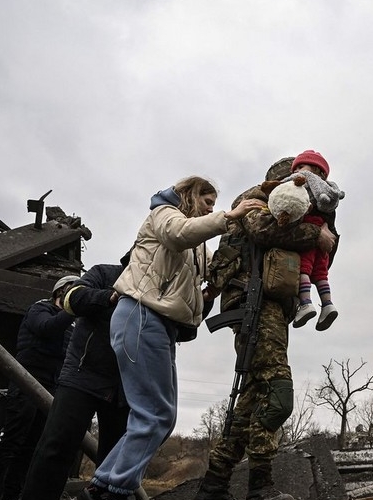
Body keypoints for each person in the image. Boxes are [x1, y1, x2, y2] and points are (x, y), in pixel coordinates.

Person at [79, 177, 264, 500]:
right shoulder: (163, 214)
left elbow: (214, 267)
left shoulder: (198, 248)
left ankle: (105, 484)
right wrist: (230, 216)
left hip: (162, 325)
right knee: (153, 414)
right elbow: (178, 234)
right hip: (141, 314)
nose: (211, 208)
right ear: (191, 196)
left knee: (161, 417)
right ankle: (112, 489)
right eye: (207, 201)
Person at [194, 158, 338, 500]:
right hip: (251, 302)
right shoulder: (255, 201)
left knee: (250, 401)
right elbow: (263, 230)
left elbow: (324, 256)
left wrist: (323, 229)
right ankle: (261, 487)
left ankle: (213, 484)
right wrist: (316, 233)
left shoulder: (303, 211)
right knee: (277, 393)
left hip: (271, 308)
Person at [20, 255, 131, 500]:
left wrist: (204, 301)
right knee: (55, 449)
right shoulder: (104, 273)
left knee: (114, 460)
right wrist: (110, 295)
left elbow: (184, 331)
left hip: (125, 386)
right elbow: (75, 298)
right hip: (82, 375)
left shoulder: (159, 287)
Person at [0, 275, 79, 500]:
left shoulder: (72, 325)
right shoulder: (40, 309)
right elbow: (45, 329)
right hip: (28, 379)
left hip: (52, 385)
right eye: (73, 291)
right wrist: (71, 311)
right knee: (13, 439)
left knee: (32, 445)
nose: (76, 296)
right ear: (60, 291)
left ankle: (12, 494)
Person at [286, 150, 345, 331]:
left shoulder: (302, 182)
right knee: (320, 274)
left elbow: (284, 193)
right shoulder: (330, 190)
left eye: (301, 166)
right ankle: (327, 305)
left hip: (309, 237)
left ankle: (306, 303)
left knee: (303, 269)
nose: (295, 172)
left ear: (315, 170)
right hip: (324, 242)